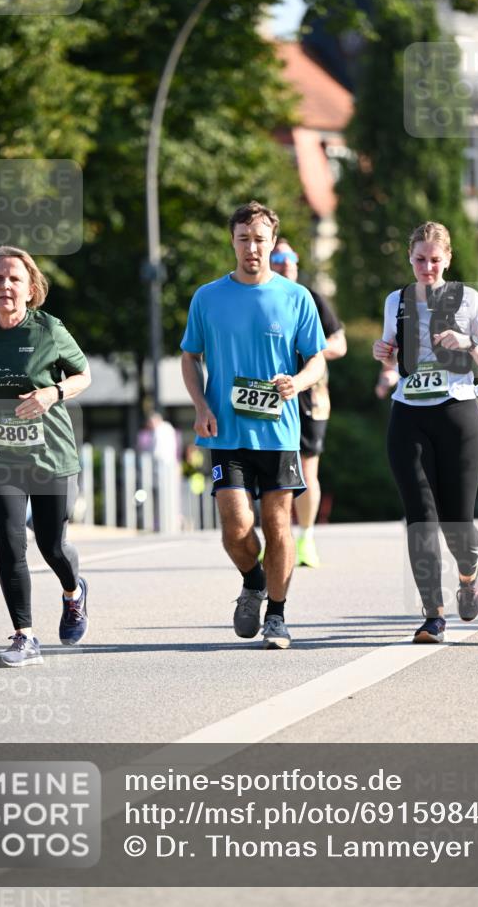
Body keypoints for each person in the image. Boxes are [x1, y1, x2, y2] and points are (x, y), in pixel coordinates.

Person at [181, 201, 327, 649]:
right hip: (226, 431)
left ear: (272, 243)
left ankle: (278, 617)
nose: (252, 248)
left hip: (279, 431)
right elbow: (191, 355)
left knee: (277, 523)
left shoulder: (295, 297)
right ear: (233, 242)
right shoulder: (208, 297)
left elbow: (316, 359)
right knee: (235, 525)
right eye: (243, 239)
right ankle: (254, 578)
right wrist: (201, 406)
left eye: (260, 240)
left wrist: (297, 382)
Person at [0, 246, 91, 667]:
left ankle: (74, 592)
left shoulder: (49, 330)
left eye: (15, 279)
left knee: (51, 546)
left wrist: (54, 393)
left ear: (31, 289)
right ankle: (24, 636)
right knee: (9, 545)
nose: (6, 286)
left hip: (51, 457)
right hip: (0, 459)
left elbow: (83, 375)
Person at [373, 221, 478, 644]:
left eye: (434, 260)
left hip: (458, 414)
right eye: (419, 259)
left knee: (456, 523)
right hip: (409, 415)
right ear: (409, 259)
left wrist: (467, 343)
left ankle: (469, 575)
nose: (427, 267)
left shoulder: (469, 299)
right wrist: (383, 353)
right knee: (420, 519)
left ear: (448, 259)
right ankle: (433, 616)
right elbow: (392, 358)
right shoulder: (397, 300)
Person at [270, 239, 347, 566]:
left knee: (307, 468)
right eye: (279, 257)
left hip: (312, 395)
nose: (286, 262)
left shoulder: (312, 298)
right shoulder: (264, 296)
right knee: (274, 469)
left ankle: (306, 539)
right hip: (273, 394)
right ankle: (277, 537)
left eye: (291, 256)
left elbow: (340, 344)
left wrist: (309, 346)